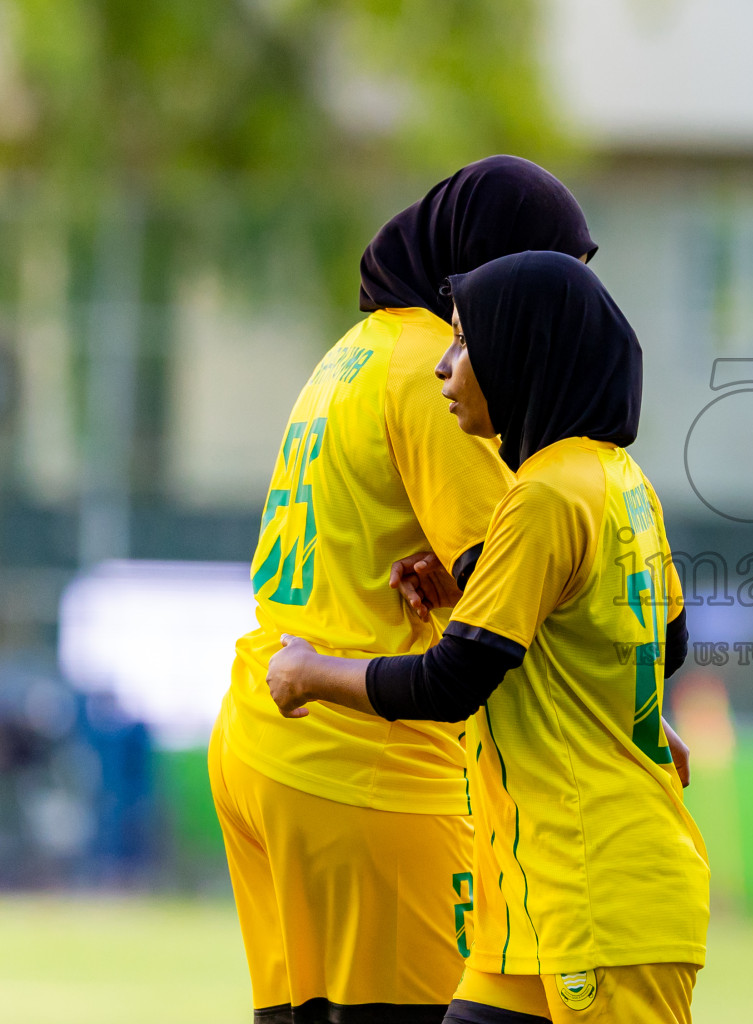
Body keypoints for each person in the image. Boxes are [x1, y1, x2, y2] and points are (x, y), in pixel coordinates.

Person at [264, 250, 710, 1024]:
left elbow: (449, 684)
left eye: (465, 341)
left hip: (599, 897)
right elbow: (654, 645)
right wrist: (479, 601)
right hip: (534, 909)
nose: (443, 366)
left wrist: (310, 672)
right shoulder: (619, 479)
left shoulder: (544, 494)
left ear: (523, 353)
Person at [209, 156, 601, 1024]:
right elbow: (520, 586)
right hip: (366, 767)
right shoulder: (441, 373)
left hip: (266, 733)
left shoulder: (357, 351)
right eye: (554, 278)